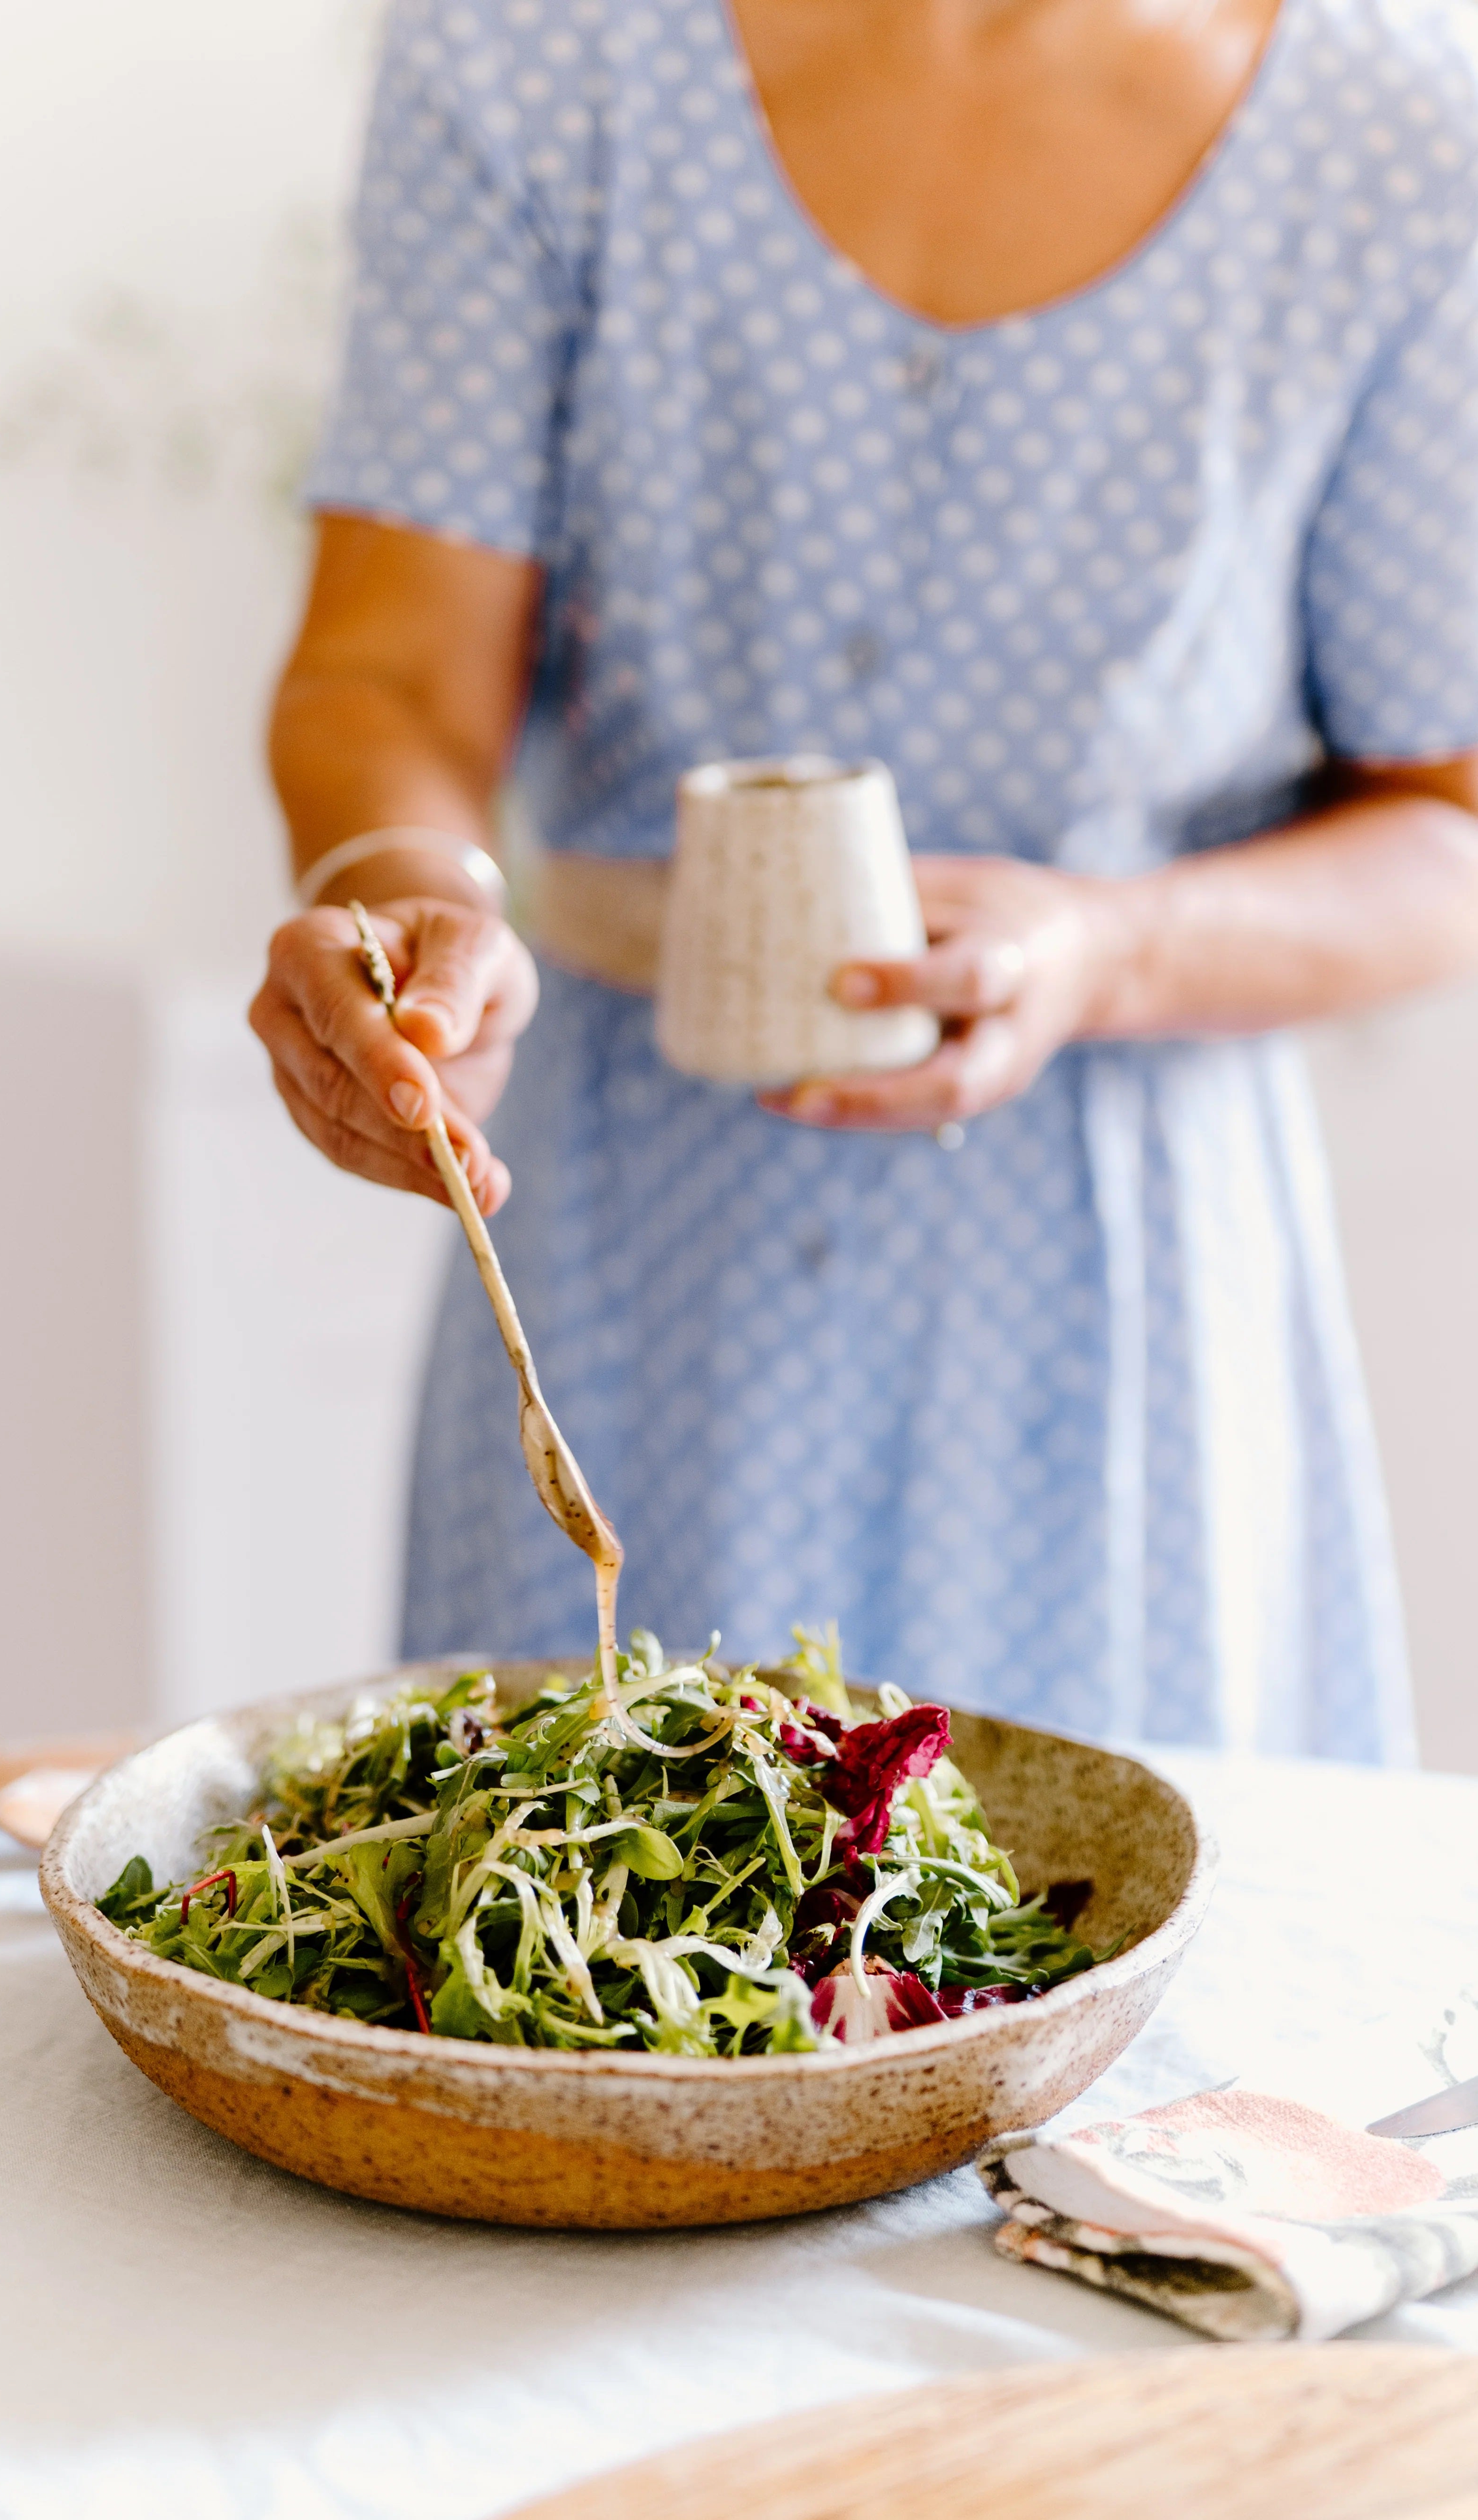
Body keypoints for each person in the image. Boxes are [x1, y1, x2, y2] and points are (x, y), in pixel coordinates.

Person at [251, 0, 1478, 1758]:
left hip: (1114, 1295)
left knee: (1105, 1961)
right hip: (619, 1244)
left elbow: (1447, 820)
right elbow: (388, 678)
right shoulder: (529, 51)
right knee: (570, 1952)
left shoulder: (1400, 121)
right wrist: (402, 893)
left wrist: (1104, 950)